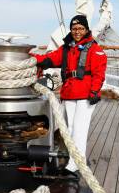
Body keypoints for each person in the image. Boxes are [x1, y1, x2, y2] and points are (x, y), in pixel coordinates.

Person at [33, 15, 107, 173]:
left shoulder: (95, 49)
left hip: (86, 95)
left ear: (86, 29)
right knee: (70, 127)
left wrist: (94, 91)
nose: (77, 31)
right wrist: (31, 58)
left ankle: (76, 163)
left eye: (80, 28)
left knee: (79, 129)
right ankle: (72, 156)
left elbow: (99, 73)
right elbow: (49, 59)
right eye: (74, 29)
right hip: (69, 93)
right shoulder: (66, 48)